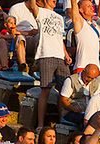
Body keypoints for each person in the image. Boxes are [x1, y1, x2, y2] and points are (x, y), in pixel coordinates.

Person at [28, 0, 71, 129]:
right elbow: (32, 4)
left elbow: (60, 38)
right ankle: (40, 125)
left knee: (65, 90)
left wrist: (66, 54)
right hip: (46, 54)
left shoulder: (59, 17)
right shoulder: (41, 12)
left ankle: (62, 122)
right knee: (45, 90)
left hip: (60, 56)